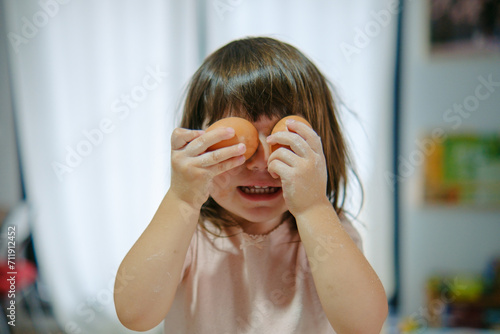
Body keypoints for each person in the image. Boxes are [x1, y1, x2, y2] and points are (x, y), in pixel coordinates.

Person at [114, 36, 388, 333]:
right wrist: (181, 199)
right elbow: (134, 314)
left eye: (285, 139)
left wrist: (312, 207)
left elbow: (364, 325)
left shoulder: (328, 229)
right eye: (234, 139)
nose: (260, 162)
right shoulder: (188, 233)